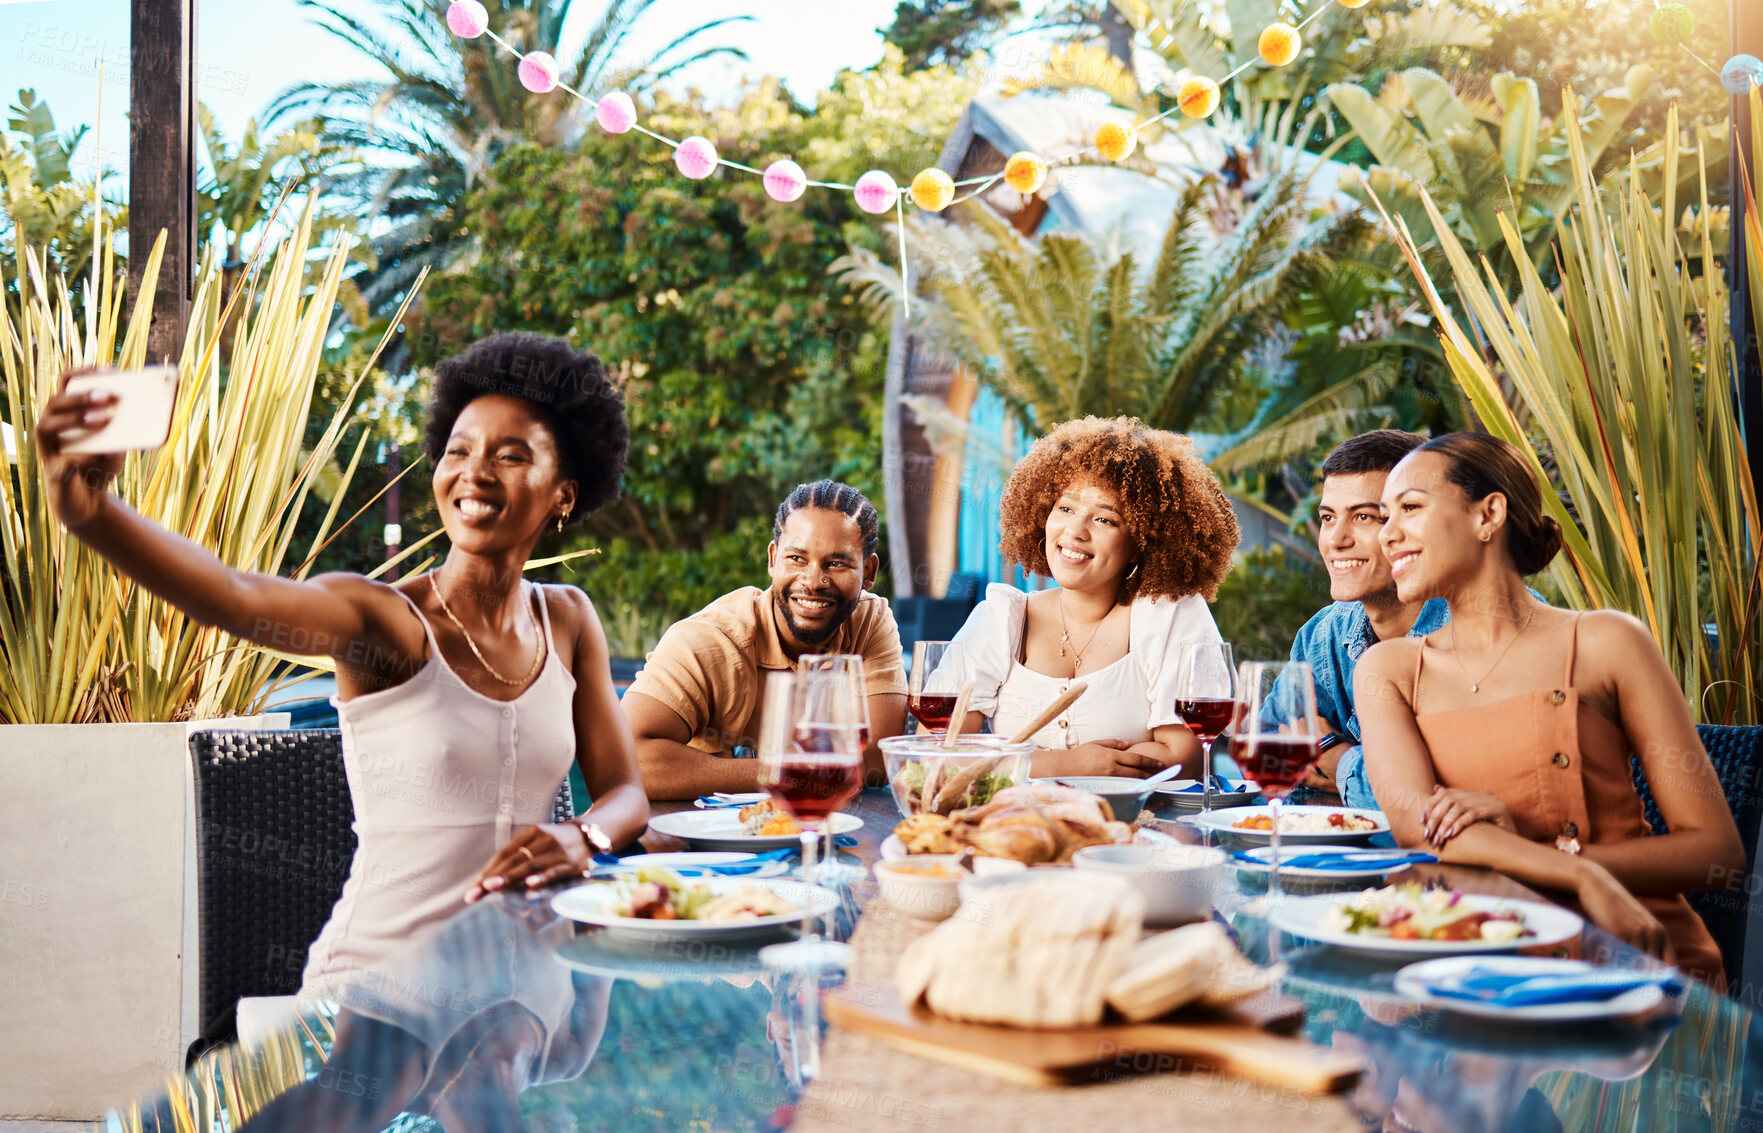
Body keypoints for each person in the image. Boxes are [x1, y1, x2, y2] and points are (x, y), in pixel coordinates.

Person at [36, 332, 651, 996]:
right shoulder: (381, 623)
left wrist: (582, 836)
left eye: (510, 455)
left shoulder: (567, 618)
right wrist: (91, 513)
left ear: (563, 492)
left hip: (530, 992)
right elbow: (233, 597)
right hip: (383, 999)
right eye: (458, 451)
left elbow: (626, 793)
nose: (474, 472)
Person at [1356, 432, 1743, 983]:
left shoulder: (1608, 642)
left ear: (1488, 514)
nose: (1386, 536)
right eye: (1382, 516)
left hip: (1635, 956)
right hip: (1482, 962)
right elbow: (1420, 830)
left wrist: (1581, 872)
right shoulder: (1387, 671)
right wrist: (1579, 875)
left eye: (1410, 509)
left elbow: (1718, 853)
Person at [936, 416, 1237, 779]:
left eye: (1105, 520)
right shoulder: (1001, 618)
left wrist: (1003, 764)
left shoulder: (1169, 614)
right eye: (1065, 508)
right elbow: (936, 751)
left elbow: (1184, 760)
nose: (1075, 531)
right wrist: (1064, 765)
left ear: (1143, 543)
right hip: (1015, 827)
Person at [623, 480, 907, 799]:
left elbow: (876, 761)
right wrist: (782, 772)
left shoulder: (868, 620)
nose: (814, 581)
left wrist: (724, 766)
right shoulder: (708, 640)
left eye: (837, 563)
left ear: (868, 571)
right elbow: (624, 761)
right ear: (773, 559)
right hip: (699, 837)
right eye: (797, 559)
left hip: (822, 829)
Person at [1278, 430, 1449, 809]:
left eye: (1364, 516)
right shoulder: (1324, 634)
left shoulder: (1480, 628)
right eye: (1327, 517)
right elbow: (1270, 754)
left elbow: (1442, 796)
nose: (1335, 540)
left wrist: (1337, 759)